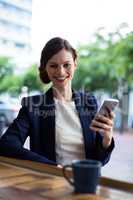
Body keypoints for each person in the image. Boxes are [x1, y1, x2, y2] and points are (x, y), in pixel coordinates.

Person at [0, 37, 115, 166]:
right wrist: (53, 168)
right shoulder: (33, 106)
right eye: (53, 66)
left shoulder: (89, 102)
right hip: (51, 181)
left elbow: (100, 161)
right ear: (45, 68)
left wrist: (107, 138)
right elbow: (6, 145)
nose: (60, 72)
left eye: (67, 65)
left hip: (86, 181)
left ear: (75, 64)